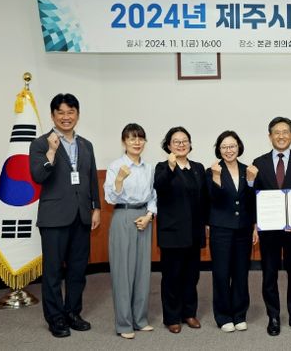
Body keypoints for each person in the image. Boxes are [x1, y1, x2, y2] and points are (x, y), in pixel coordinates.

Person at [29, 93, 100, 338]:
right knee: (52, 272)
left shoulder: (86, 145)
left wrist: (96, 207)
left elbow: (91, 178)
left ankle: (72, 312)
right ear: (53, 116)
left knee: (78, 270)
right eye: (60, 112)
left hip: (81, 215)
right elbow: (38, 176)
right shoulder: (40, 144)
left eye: (71, 112)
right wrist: (51, 151)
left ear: (77, 115)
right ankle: (55, 318)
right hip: (54, 217)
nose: (66, 117)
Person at [250, 117, 291, 336]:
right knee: (269, 274)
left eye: (285, 132)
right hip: (269, 230)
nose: (281, 136)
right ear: (270, 136)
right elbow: (254, 196)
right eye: (277, 132)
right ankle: (273, 316)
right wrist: (255, 224)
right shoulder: (259, 163)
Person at [104, 123, 157, 339]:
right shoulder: (116, 166)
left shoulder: (149, 168)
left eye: (140, 138)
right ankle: (124, 324)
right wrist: (119, 180)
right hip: (123, 216)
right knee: (123, 273)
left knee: (143, 271)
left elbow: (153, 195)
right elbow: (110, 198)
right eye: (132, 138)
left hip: (144, 218)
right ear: (124, 141)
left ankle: (140, 319)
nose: (137, 142)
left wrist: (149, 215)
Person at [153, 126, 208, 334]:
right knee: (172, 277)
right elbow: (160, 186)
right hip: (172, 233)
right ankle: (172, 317)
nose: (181, 144)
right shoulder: (162, 167)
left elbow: (204, 199)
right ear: (168, 146)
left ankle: (189, 313)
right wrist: (170, 166)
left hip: (194, 232)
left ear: (190, 144)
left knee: (192, 276)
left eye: (185, 140)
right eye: (176, 141)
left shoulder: (198, 168)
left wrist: (206, 224)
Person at [205, 131, 258, 333]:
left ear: (239, 147)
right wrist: (216, 177)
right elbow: (212, 200)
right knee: (221, 273)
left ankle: (239, 314)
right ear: (219, 150)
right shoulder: (212, 171)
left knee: (241, 272)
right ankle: (223, 316)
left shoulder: (247, 169)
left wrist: (255, 226)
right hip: (221, 229)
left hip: (244, 228)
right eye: (224, 147)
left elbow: (252, 201)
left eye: (232, 146)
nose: (229, 150)